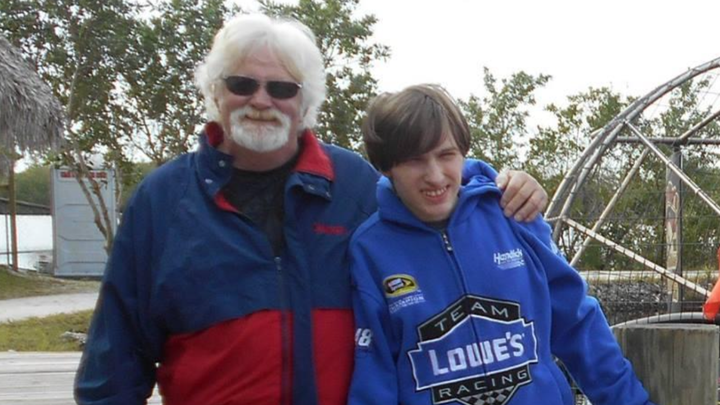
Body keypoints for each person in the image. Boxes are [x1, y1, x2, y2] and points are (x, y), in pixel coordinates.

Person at [74, 14, 547, 405]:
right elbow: (114, 366)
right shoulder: (161, 202)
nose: (261, 100)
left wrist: (501, 185)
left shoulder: (357, 185)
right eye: (242, 83)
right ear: (215, 92)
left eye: (282, 88)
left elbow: (435, 193)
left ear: (305, 102)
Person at [347, 84, 657, 405]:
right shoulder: (371, 250)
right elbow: (374, 373)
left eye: (446, 155)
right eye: (415, 161)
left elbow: (579, 327)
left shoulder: (513, 213)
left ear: (463, 153)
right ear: (387, 167)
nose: (435, 176)